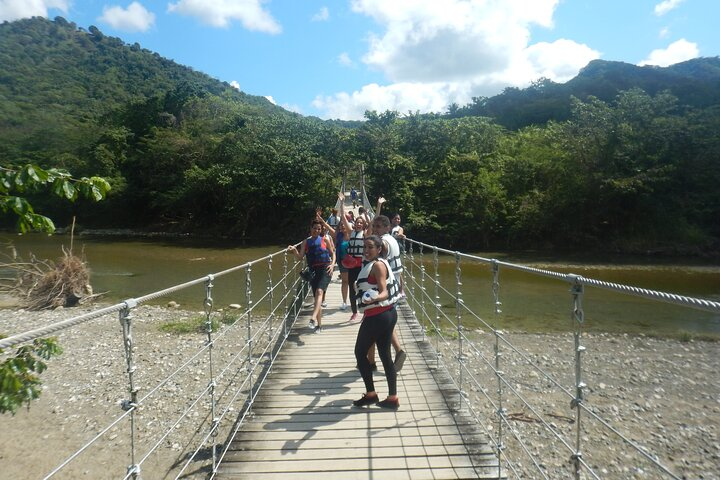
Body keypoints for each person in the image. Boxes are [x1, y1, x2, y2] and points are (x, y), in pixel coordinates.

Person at [352, 235, 401, 410]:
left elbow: (384, 293)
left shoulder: (378, 265)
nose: (366, 250)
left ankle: (371, 394)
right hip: (386, 314)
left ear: (379, 249)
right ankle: (392, 398)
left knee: (359, 353)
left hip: (378, 315)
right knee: (385, 355)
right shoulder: (377, 262)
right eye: (364, 247)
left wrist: (370, 299)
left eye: (370, 247)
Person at [367, 211, 407, 372]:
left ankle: (372, 362)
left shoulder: (383, 242)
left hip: (384, 288)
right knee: (384, 323)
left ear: (387, 227)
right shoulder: (393, 238)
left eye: (378, 226)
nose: (375, 229)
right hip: (393, 286)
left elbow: (378, 253)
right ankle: (392, 353)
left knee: (372, 323)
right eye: (374, 226)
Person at [287, 219, 335, 333]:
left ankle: (312, 318)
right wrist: (294, 250)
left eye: (319, 229)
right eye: (314, 228)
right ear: (310, 229)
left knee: (319, 292)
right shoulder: (305, 242)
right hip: (313, 271)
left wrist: (332, 265)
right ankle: (319, 325)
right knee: (317, 298)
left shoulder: (325, 239)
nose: (316, 231)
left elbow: (333, 253)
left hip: (325, 269)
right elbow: (300, 257)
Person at [339, 191, 365, 321]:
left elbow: (373, 222)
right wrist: (342, 202)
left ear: (363, 224)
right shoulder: (351, 232)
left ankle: (365, 311)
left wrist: (378, 206)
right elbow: (343, 218)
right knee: (351, 287)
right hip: (352, 265)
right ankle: (355, 312)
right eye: (357, 223)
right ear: (355, 224)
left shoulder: (366, 233)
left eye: (361, 223)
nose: (359, 224)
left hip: (363, 265)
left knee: (364, 288)